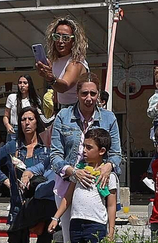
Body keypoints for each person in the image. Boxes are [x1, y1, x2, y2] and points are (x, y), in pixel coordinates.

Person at [0, 106, 56, 243]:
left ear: (36, 122)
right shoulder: (12, 147)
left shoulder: (46, 149)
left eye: (30, 119)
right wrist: (5, 181)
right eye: (23, 119)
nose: (26, 123)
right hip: (19, 206)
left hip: (42, 207)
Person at [47, 76, 122, 206]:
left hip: (98, 184)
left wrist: (108, 166)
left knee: (98, 226)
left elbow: (116, 154)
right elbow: (55, 155)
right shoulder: (63, 116)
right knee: (68, 227)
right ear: (77, 94)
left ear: (98, 94)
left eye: (93, 93)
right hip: (67, 183)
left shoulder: (109, 118)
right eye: (84, 93)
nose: (89, 98)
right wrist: (74, 172)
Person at [49, 126, 117, 243]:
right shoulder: (79, 171)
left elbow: (111, 205)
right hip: (76, 222)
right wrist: (56, 218)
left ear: (101, 151)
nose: (84, 150)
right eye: (83, 146)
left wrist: (111, 231)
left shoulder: (108, 176)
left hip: (96, 224)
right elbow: (67, 197)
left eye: (89, 147)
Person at [37, 16, 91, 115]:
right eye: (57, 37)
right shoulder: (55, 60)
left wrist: (50, 78)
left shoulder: (76, 62)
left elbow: (64, 86)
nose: (60, 41)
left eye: (65, 38)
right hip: (63, 108)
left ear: (73, 41)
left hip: (79, 109)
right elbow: (58, 91)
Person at [6, 74, 42, 141]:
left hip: (28, 129)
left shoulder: (35, 100)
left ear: (29, 85)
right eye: (20, 83)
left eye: (25, 83)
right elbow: (6, 116)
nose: (22, 85)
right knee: (12, 150)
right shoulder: (12, 97)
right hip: (14, 129)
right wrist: (7, 125)